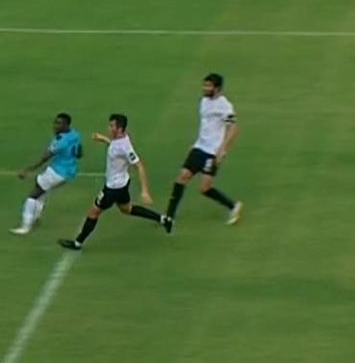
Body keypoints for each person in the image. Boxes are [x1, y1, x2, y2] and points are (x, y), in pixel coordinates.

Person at [58, 114, 168, 251]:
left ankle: (77, 243)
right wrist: (104, 139)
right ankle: (162, 219)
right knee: (127, 209)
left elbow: (139, 166)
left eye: (112, 126)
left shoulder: (125, 147)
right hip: (122, 184)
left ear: (119, 129)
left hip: (113, 188)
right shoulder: (120, 139)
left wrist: (145, 191)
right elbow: (116, 147)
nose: (109, 128)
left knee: (93, 212)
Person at [163, 73, 242, 230]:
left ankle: (233, 206)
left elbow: (233, 128)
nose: (205, 88)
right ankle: (169, 216)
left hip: (212, 152)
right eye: (204, 85)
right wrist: (194, 145)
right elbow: (206, 126)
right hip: (199, 147)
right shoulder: (204, 101)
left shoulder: (224, 105)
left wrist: (222, 149)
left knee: (204, 188)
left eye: (208, 86)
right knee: (182, 177)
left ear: (217, 88)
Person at [12, 112, 83, 235]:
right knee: (42, 191)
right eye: (55, 122)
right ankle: (36, 217)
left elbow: (45, 157)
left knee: (33, 196)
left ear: (66, 125)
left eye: (59, 123)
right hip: (68, 173)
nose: (55, 126)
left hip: (56, 172)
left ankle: (25, 226)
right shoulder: (75, 134)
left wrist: (27, 169)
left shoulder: (60, 141)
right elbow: (79, 153)